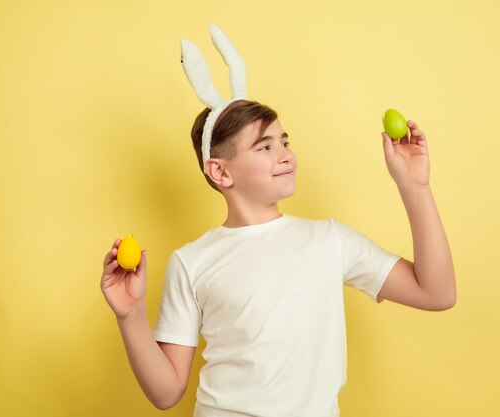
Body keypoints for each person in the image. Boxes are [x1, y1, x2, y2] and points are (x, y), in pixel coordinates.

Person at [101, 25, 456, 417]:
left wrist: (415, 186)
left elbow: (437, 293)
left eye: (285, 141)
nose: (285, 154)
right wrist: (130, 314)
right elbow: (166, 393)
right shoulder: (192, 261)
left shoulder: (330, 240)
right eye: (264, 146)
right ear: (220, 172)